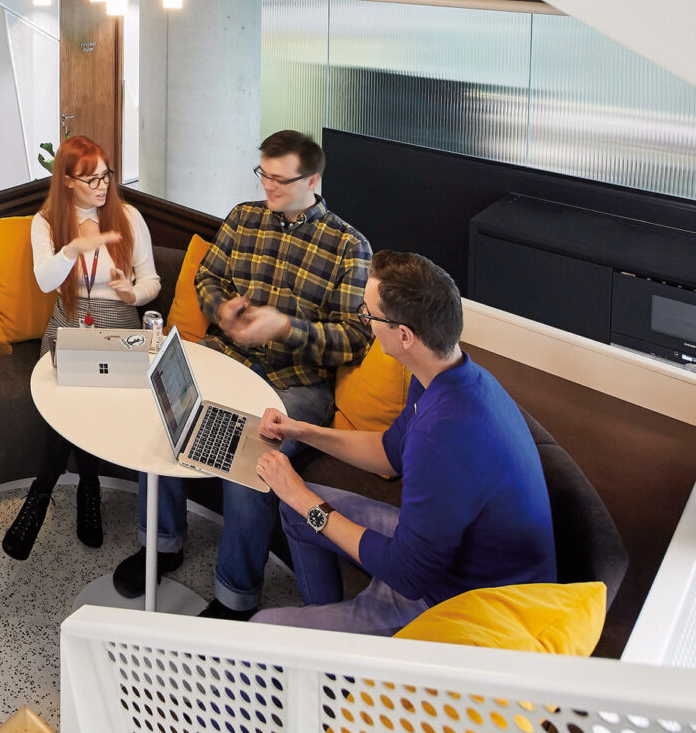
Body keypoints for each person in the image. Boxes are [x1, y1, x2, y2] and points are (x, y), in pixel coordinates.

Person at [113, 130, 372, 618]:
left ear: (313, 179)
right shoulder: (243, 217)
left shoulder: (349, 247)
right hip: (225, 356)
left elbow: (353, 339)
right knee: (163, 409)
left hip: (294, 381)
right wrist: (222, 311)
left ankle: (236, 595)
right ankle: (163, 543)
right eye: (263, 174)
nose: (268, 187)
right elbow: (208, 277)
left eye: (279, 178)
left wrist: (288, 328)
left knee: (250, 455)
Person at [251, 250, 557, 635]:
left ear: (405, 336)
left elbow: (408, 575)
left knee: (263, 627)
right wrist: (301, 430)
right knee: (295, 509)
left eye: (369, 314)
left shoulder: (445, 436)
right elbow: (389, 452)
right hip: (444, 558)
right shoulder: (447, 373)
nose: (365, 321)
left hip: (465, 602)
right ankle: (332, 651)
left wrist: (301, 496)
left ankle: (334, 651)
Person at [3, 136, 161, 561]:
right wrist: (73, 248)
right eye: (91, 178)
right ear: (68, 181)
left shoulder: (128, 217)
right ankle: (85, 489)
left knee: (85, 398)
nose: (102, 185)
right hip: (68, 328)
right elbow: (45, 281)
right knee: (68, 399)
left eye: (106, 176)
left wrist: (132, 294)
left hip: (118, 331)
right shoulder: (48, 223)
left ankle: (43, 494)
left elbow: (152, 282)